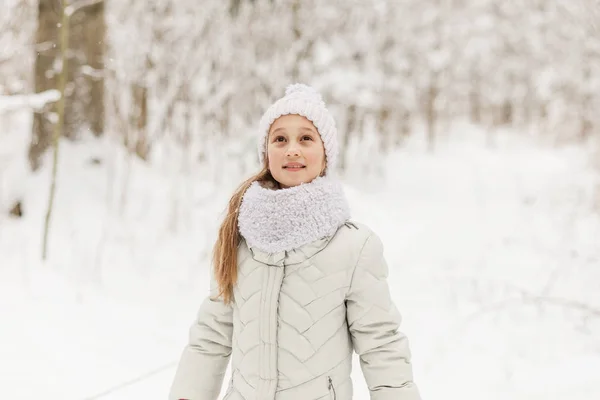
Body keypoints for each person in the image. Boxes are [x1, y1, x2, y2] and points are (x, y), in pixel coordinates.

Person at [169, 84, 421, 400]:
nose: (292, 149)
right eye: (280, 139)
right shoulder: (240, 237)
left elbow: (380, 342)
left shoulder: (354, 247)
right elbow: (213, 333)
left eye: (305, 138)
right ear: (266, 154)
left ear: (325, 153)